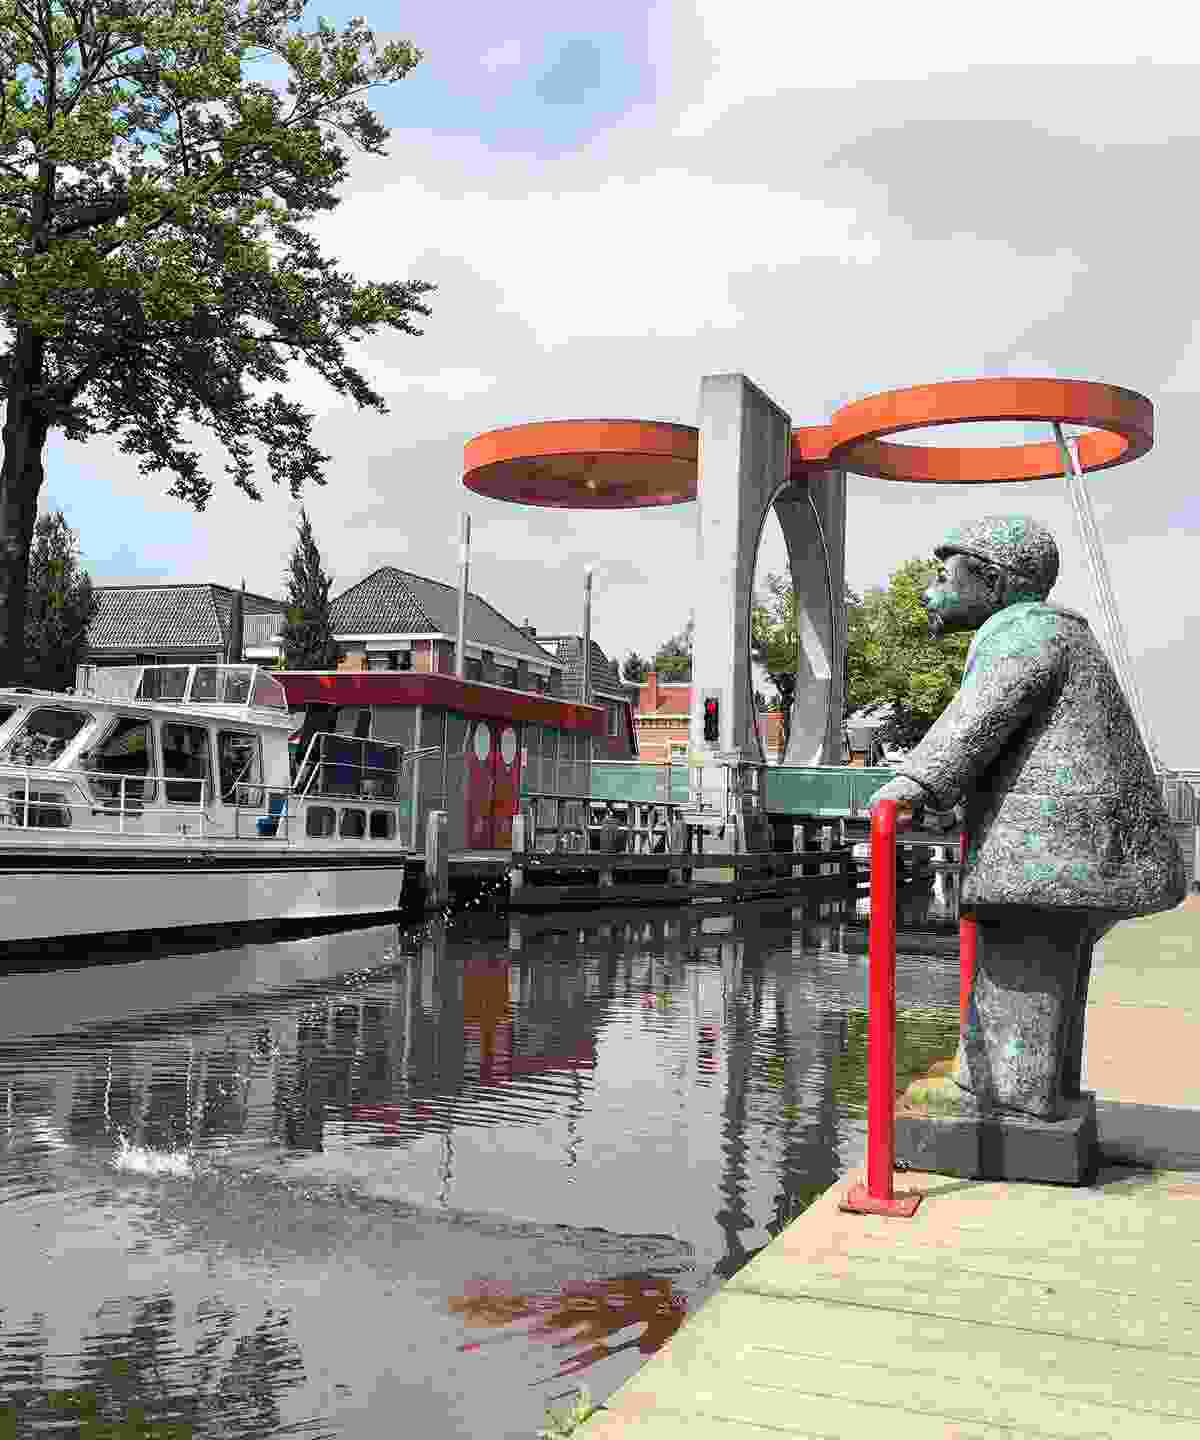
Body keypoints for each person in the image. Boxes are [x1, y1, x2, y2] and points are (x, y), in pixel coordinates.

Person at [870, 515, 1185, 1119]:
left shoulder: (1024, 631)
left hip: (1049, 849)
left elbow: (981, 715)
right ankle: (1046, 1087)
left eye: (944, 578)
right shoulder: (1062, 632)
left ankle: (1005, 1100)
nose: (930, 591)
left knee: (1019, 956)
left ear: (990, 581)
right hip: (1087, 846)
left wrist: (913, 785)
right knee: (1053, 961)